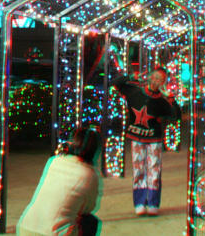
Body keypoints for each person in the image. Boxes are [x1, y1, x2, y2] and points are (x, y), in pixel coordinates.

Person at [111, 67, 181, 216]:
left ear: (164, 83)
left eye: (161, 80)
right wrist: (130, 76)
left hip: (154, 139)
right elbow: (115, 83)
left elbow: (176, 115)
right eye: (155, 77)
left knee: (154, 171)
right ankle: (140, 203)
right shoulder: (134, 91)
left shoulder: (162, 100)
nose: (156, 81)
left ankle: (153, 203)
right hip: (137, 138)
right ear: (150, 77)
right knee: (139, 171)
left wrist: (171, 99)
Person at [17, 127, 103, 235]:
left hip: (25, 228)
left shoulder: (55, 161)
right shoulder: (89, 174)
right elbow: (89, 207)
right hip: (52, 233)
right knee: (90, 222)